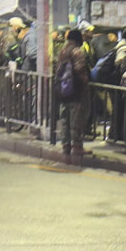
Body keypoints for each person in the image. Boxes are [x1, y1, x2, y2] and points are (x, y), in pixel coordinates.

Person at [54, 28, 91, 166]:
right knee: (76, 119)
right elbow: (80, 71)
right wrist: (85, 86)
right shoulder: (77, 52)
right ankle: (77, 146)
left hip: (63, 91)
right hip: (76, 91)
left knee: (65, 119)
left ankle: (66, 145)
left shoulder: (62, 52)